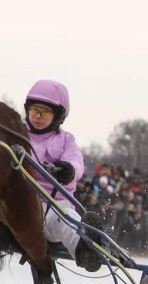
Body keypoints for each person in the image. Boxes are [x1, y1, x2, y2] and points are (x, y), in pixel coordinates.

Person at [24, 79, 103, 272]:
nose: (38, 116)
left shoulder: (66, 140)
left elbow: (77, 162)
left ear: (58, 116)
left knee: (66, 217)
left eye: (46, 112)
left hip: (53, 205)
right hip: (22, 203)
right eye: (34, 110)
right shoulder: (18, 133)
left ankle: (85, 249)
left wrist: (70, 170)